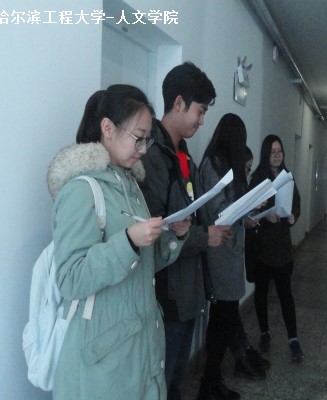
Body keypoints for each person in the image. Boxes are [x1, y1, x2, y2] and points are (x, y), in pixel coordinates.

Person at [48, 84, 191, 399]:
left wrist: (174, 236)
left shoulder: (131, 186)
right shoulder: (80, 190)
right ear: (108, 128)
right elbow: (70, 278)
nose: (143, 149)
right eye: (139, 138)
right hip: (102, 363)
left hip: (138, 350)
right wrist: (128, 241)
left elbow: (140, 265)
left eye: (147, 139)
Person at [139, 62, 232, 400]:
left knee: (177, 379)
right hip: (168, 292)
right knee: (163, 382)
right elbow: (155, 229)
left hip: (188, 287)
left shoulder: (183, 156)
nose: (202, 120)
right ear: (178, 103)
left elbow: (185, 215)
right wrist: (204, 237)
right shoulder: (153, 157)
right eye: (200, 111)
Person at [196, 113, 251, 399]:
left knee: (224, 317)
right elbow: (218, 210)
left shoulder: (223, 164)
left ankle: (212, 380)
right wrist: (243, 205)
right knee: (223, 317)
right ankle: (209, 383)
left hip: (229, 251)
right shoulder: (212, 165)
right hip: (219, 251)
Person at [248, 135, 303, 362]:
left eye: (280, 151)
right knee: (261, 293)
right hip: (261, 248)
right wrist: (264, 215)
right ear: (265, 154)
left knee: (285, 294)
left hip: (281, 247)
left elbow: (296, 204)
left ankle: (293, 338)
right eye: (273, 152)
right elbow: (249, 210)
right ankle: (264, 333)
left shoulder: (287, 178)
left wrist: (293, 217)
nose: (277, 155)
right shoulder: (257, 179)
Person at [226, 146, 271, 380]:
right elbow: (224, 217)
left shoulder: (238, 185)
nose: (247, 173)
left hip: (233, 253)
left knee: (231, 310)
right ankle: (241, 356)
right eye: (246, 168)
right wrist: (249, 211)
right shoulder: (227, 184)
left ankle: (245, 352)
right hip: (223, 256)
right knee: (227, 312)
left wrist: (247, 219)